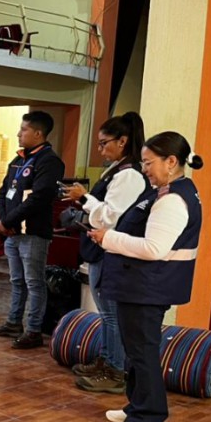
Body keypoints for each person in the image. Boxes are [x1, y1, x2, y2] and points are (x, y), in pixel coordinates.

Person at [88, 132, 203, 422]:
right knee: (136, 349)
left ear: (172, 161)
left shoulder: (174, 200)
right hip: (140, 285)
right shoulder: (165, 190)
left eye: (149, 163)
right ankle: (136, 405)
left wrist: (106, 238)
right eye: (143, 162)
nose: (145, 169)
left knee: (143, 352)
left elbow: (154, 248)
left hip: (149, 286)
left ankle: (149, 421)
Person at [61, 112, 147, 393]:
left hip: (111, 250)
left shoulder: (130, 175)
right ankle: (107, 359)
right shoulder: (118, 171)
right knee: (105, 314)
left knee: (112, 315)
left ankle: (115, 370)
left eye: (104, 143)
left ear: (122, 141)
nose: (100, 150)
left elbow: (111, 217)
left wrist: (84, 198)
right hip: (99, 248)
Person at [0, 111, 65, 348]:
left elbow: (39, 198)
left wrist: (8, 221)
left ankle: (33, 330)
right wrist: (4, 220)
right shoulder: (18, 159)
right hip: (12, 232)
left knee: (34, 282)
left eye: (23, 130)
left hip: (33, 232)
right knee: (17, 280)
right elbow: (3, 192)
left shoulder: (49, 161)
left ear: (38, 133)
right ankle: (13, 322)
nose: (18, 134)